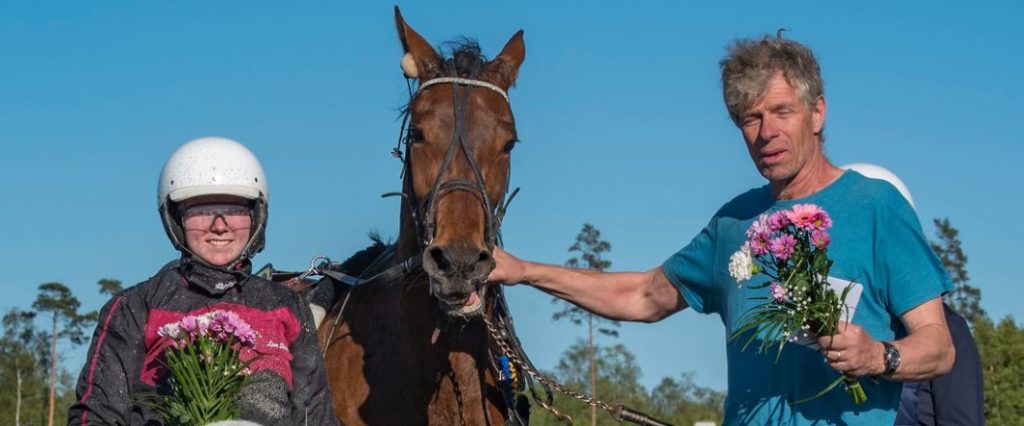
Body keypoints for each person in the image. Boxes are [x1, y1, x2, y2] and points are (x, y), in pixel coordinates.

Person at [488, 35, 956, 425]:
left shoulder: (875, 206)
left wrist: (878, 356)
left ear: (817, 113)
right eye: (750, 118)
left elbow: (939, 347)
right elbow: (643, 295)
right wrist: (524, 270)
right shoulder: (733, 223)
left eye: (782, 112)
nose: (766, 132)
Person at [69, 137, 339, 425]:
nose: (219, 226)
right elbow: (97, 415)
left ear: (256, 216)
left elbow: (315, 415)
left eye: (234, 210)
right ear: (176, 220)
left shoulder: (289, 308)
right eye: (201, 211)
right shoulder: (134, 308)